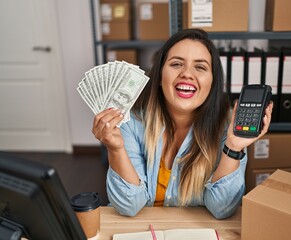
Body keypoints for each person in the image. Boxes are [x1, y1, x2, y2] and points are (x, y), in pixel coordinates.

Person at [92, 28, 273, 219]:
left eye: (200, 67)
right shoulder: (131, 124)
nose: (187, 74)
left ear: (212, 82)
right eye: (176, 64)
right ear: (160, 77)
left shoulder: (227, 131)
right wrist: (116, 149)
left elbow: (222, 209)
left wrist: (233, 148)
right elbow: (129, 205)